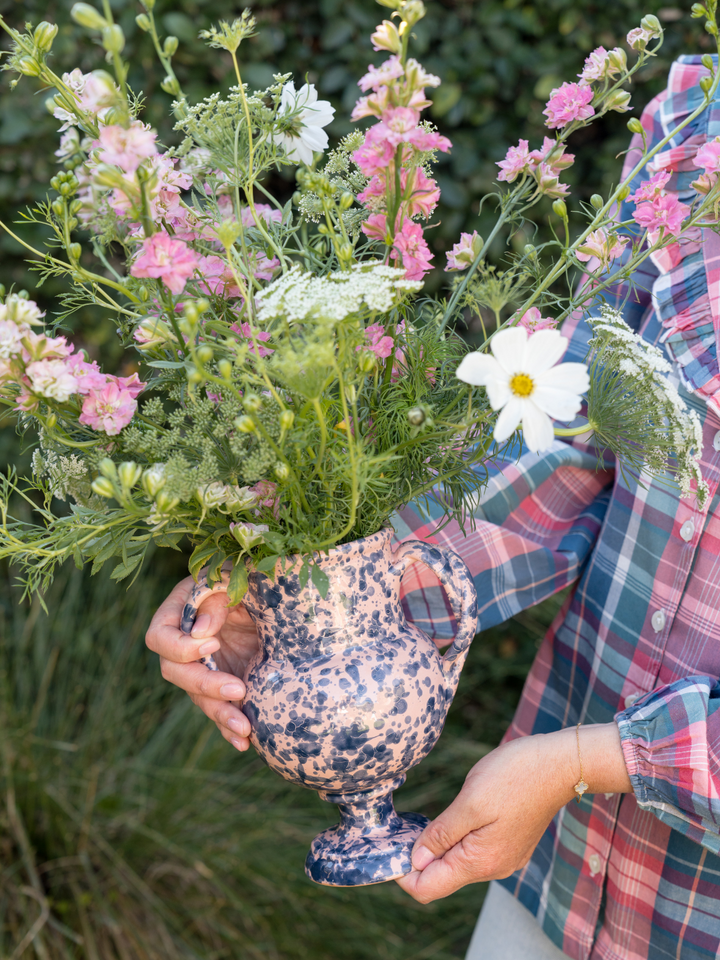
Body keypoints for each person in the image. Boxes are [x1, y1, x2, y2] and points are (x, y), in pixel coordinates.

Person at [145, 56, 720, 959]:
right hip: (558, 881)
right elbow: (571, 434)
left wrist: (587, 763)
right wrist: (309, 598)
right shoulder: (702, 119)